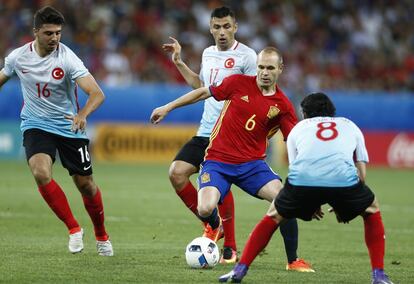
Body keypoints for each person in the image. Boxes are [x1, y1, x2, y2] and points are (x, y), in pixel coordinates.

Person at [151, 47, 312, 271]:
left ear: (280, 69)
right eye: (261, 67)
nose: (264, 72)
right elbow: (202, 92)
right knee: (205, 207)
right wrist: (168, 107)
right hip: (217, 161)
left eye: (270, 68)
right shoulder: (238, 83)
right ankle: (216, 226)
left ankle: (293, 260)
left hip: (252, 166)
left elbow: (295, 142)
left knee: (285, 200)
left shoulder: (282, 105)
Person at [219, 93, 394, 284]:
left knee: (274, 214)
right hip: (343, 182)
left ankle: (240, 269)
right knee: (372, 208)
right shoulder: (349, 125)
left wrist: (310, 204)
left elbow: (297, 169)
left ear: (304, 113)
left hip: (302, 182)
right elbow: (361, 171)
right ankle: (378, 275)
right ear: (332, 111)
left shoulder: (298, 128)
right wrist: (343, 202)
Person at [0, 6, 113, 256]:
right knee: (40, 172)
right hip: (35, 124)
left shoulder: (67, 58)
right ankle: (73, 228)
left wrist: (82, 115)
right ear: (36, 32)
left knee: (86, 185)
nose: (55, 39)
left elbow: (97, 93)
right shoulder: (18, 57)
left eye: (58, 33)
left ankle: (101, 235)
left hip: (68, 125)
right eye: (49, 33)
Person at [161, 6, 256, 264]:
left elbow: (255, 96)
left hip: (229, 132)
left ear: (235, 27)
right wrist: (179, 62)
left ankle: (231, 247)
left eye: (227, 26)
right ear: (210, 28)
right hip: (205, 131)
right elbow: (202, 88)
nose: (222, 32)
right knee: (177, 173)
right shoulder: (208, 53)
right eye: (217, 27)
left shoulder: (247, 57)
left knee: (219, 184)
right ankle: (213, 224)